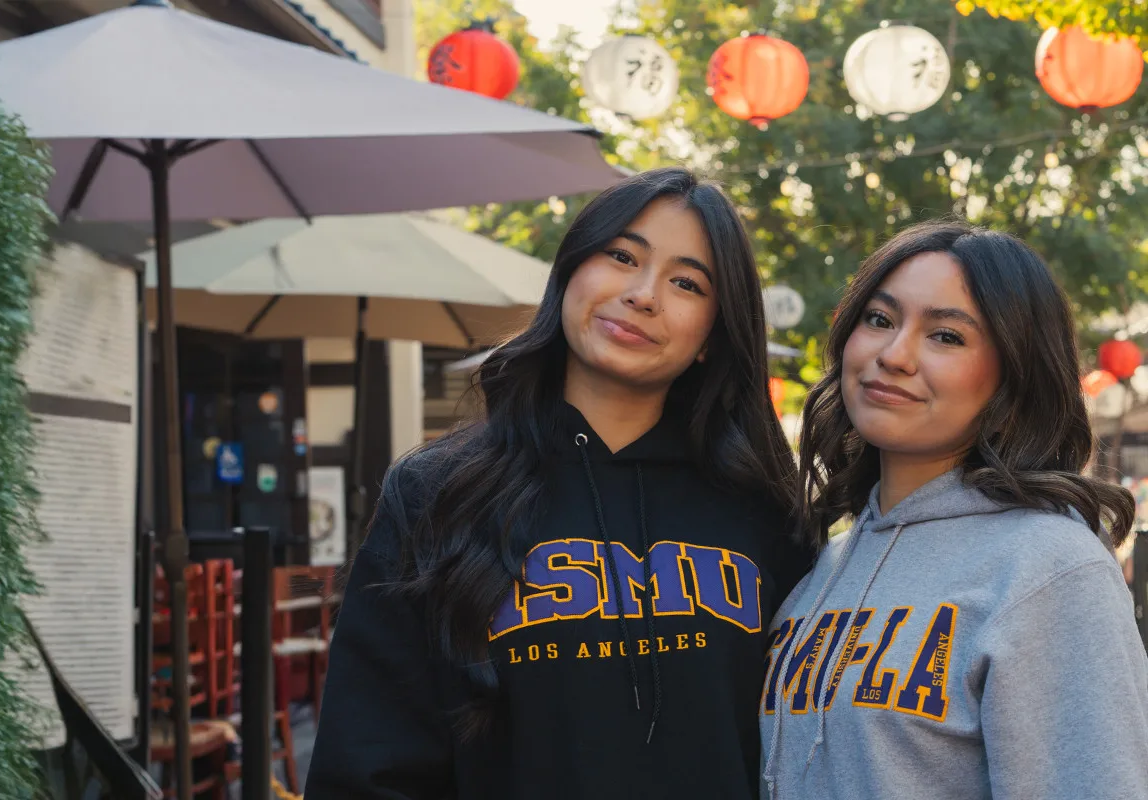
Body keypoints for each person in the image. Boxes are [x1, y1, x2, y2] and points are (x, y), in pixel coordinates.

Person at [306, 167, 812, 799]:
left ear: (713, 336)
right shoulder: (437, 492)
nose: (643, 293)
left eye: (686, 282)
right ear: (570, 273)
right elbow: (368, 761)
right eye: (622, 256)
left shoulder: (763, 512)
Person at [761, 222, 1148, 800]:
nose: (893, 355)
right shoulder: (824, 568)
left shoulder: (1049, 568)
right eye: (879, 320)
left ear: (1013, 382)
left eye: (945, 336)